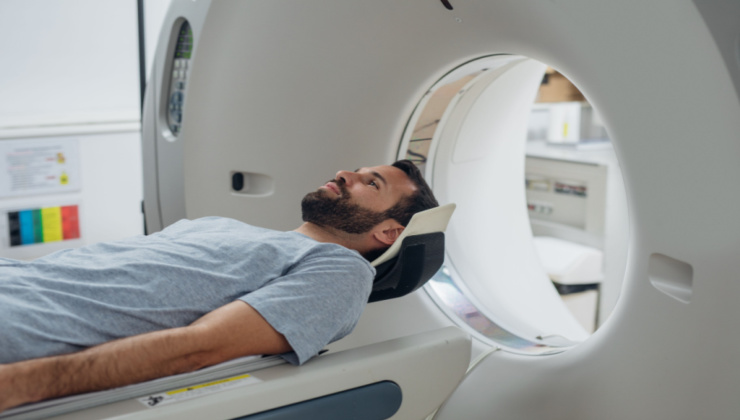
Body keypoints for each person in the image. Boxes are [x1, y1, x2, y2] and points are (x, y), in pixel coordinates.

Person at [0, 159, 438, 412]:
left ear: (387, 233)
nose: (346, 173)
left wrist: (18, 385)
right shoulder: (217, 224)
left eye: (370, 183)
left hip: (19, 328)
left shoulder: (340, 272)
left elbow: (199, 347)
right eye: (357, 170)